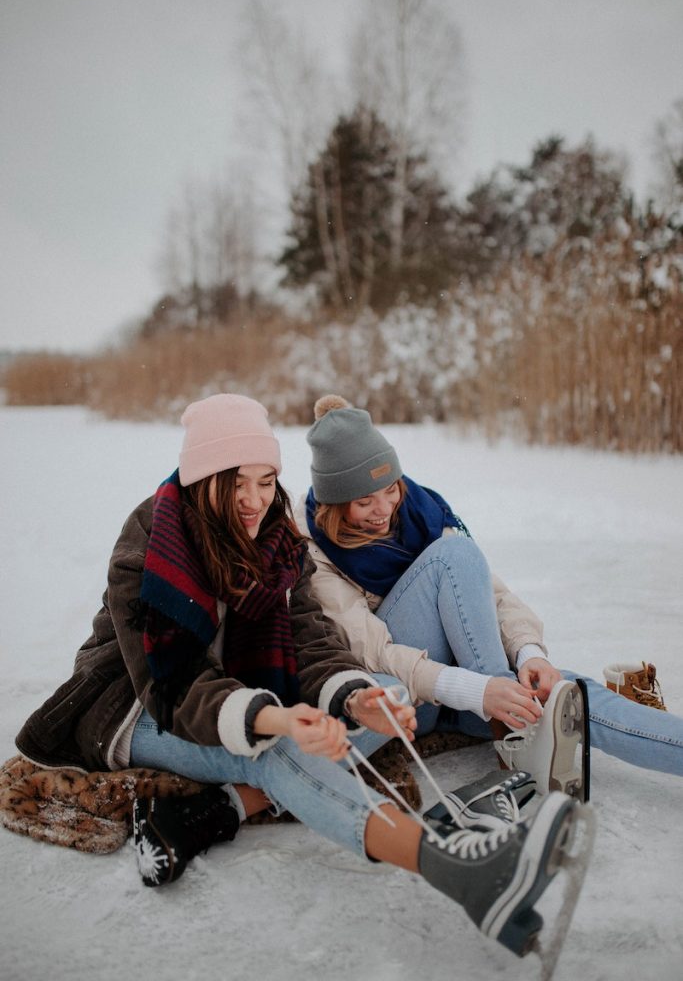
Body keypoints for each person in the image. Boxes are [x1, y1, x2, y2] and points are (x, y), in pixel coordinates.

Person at [13, 392, 583, 958]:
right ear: (203, 480)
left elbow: (310, 638)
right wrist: (275, 717)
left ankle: (220, 808)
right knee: (275, 749)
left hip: (235, 686)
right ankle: (461, 871)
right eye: (237, 483)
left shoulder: (277, 538)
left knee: (384, 690)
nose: (255, 499)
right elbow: (175, 683)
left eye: (266, 480)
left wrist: (354, 701)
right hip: (134, 706)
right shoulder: (151, 544)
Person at [296, 394, 683, 790]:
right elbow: (371, 650)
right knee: (451, 557)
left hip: (473, 685)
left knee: (566, 694)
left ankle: (518, 722)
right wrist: (481, 688)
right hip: (408, 698)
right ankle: (511, 727)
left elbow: (488, 594)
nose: (384, 509)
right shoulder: (314, 548)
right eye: (364, 502)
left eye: (390, 491)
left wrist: (528, 653)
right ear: (335, 503)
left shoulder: (422, 512)